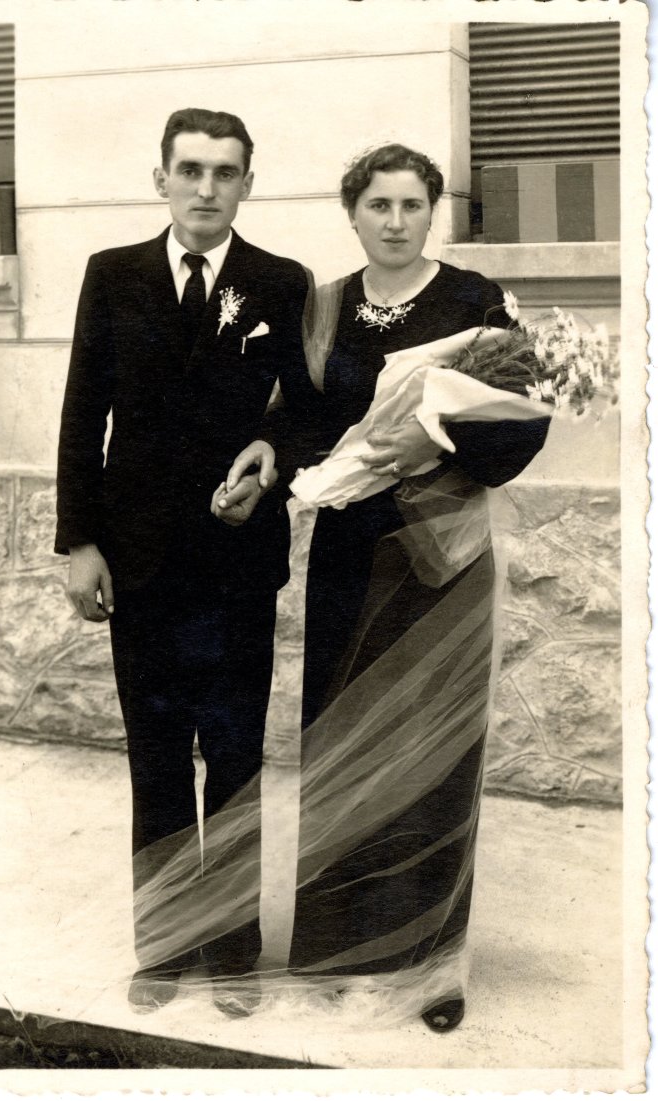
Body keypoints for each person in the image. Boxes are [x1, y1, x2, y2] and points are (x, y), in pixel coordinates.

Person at [229, 143, 552, 1031]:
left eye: (413, 204)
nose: (397, 221)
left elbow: (521, 430)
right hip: (347, 556)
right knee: (339, 744)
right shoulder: (324, 304)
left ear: (433, 210)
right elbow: (298, 416)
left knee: (435, 756)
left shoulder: (475, 300)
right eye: (379, 205)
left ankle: (431, 964)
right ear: (354, 212)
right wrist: (272, 452)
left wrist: (433, 443)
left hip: (440, 557)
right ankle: (339, 944)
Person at [55, 107, 316, 1017]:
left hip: (238, 561)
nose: (208, 188)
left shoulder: (282, 283)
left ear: (250, 181)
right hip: (140, 564)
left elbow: (307, 409)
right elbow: (84, 411)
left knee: (237, 754)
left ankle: (234, 952)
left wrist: (270, 452)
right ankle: (164, 947)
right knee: (157, 755)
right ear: (160, 177)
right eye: (192, 169)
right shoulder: (112, 275)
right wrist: (81, 540)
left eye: (226, 171)